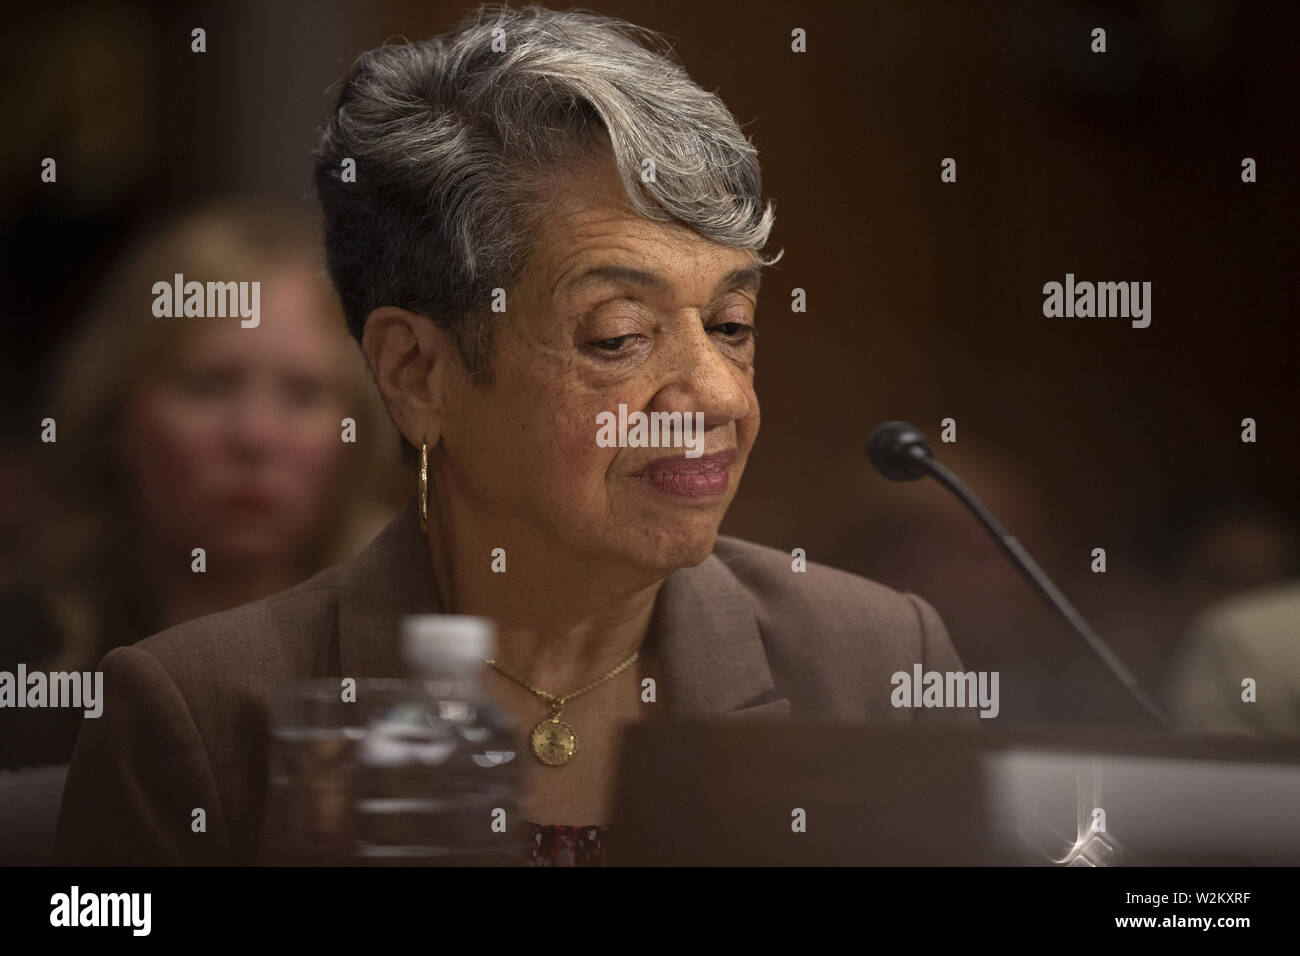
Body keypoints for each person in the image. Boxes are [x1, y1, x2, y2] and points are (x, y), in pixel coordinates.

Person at [54, 5, 972, 867]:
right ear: (417, 373)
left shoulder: (882, 665)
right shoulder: (202, 714)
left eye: (732, 324)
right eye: (618, 335)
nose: (717, 394)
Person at [2, 200, 401, 773]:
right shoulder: (22, 667)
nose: (256, 437)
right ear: (116, 416)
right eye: (208, 386)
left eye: (304, 394)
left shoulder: (409, 672)